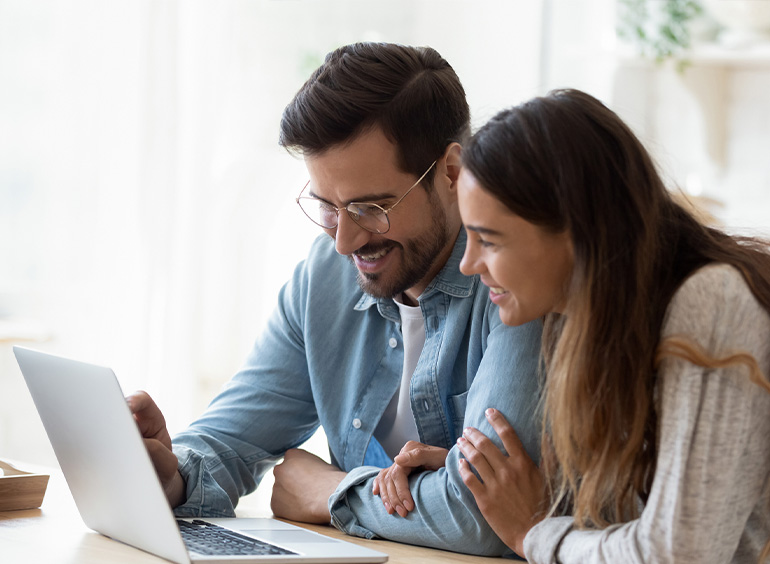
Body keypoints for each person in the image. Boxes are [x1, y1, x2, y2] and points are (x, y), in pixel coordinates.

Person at [127, 42, 543, 556]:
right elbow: (229, 443)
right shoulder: (326, 276)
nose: (345, 241)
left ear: (451, 173)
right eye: (326, 206)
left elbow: (486, 516)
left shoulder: (520, 283)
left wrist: (330, 493)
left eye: (371, 207)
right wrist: (168, 473)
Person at [379, 88, 770, 562]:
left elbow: (678, 552)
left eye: (490, 241)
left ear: (576, 232)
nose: (469, 264)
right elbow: (623, 514)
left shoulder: (711, 302)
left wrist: (535, 533)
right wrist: (464, 475)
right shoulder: (584, 324)